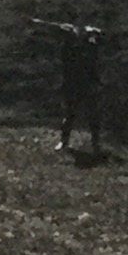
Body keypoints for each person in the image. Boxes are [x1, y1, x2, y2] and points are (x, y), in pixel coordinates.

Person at [30, 18, 104, 154]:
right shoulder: (69, 49)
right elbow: (83, 48)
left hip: (88, 83)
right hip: (73, 84)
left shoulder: (88, 46)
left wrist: (93, 35)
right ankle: (64, 141)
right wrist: (88, 34)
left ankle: (96, 144)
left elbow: (98, 45)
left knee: (92, 115)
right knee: (70, 114)